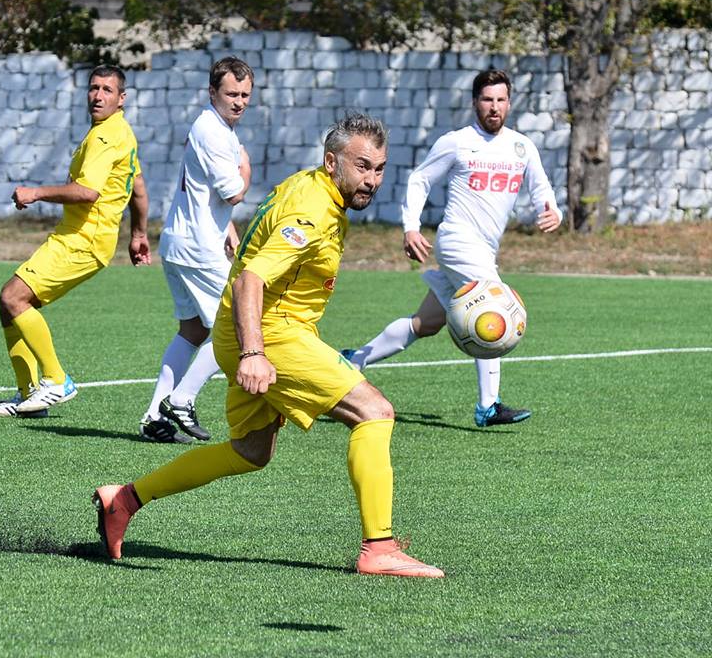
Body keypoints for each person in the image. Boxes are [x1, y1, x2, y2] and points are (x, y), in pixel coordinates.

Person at [94, 114, 445, 578]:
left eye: (379, 169)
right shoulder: (313, 211)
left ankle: (124, 500)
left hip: (241, 329)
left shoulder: (313, 187)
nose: (372, 180)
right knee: (374, 412)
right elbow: (251, 280)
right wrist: (254, 353)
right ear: (332, 161)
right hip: (268, 332)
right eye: (362, 166)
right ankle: (378, 547)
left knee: (250, 451)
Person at [342, 69, 562, 427]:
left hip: (484, 250)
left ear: (510, 103)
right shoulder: (457, 142)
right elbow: (420, 179)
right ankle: (488, 406)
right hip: (457, 241)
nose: (494, 107)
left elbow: (542, 189)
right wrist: (411, 227)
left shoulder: (522, 147)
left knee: (425, 323)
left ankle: (354, 359)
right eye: (487, 100)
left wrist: (552, 211)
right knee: (492, 305)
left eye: (501, 100)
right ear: (475, 102)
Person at [0, 65, 150, 417]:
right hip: (80, 237)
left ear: (122, 98)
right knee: (10, 303)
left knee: (13, 297)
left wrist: (35, 193)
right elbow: (137, 187)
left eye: (107, 90)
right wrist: (138, 234)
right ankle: (30, 394)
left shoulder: (106, 136)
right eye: (94, 88)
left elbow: (87, 192)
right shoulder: (119, 132)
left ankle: (57, 381)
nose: (98, 96)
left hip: (84, 239)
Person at [139, 57, 253, 444]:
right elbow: (233, 192)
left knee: (193, 330)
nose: (239, 101)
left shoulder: (213, 127)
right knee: (236, 328)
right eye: (231, 94)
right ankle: (182, 398)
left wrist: (228, 229)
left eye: (245, 95)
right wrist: (246, 168)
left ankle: (154, 417)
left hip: (181, 241)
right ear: (211, 92)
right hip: (198, 249)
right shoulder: (214, 132)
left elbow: (206, 192)